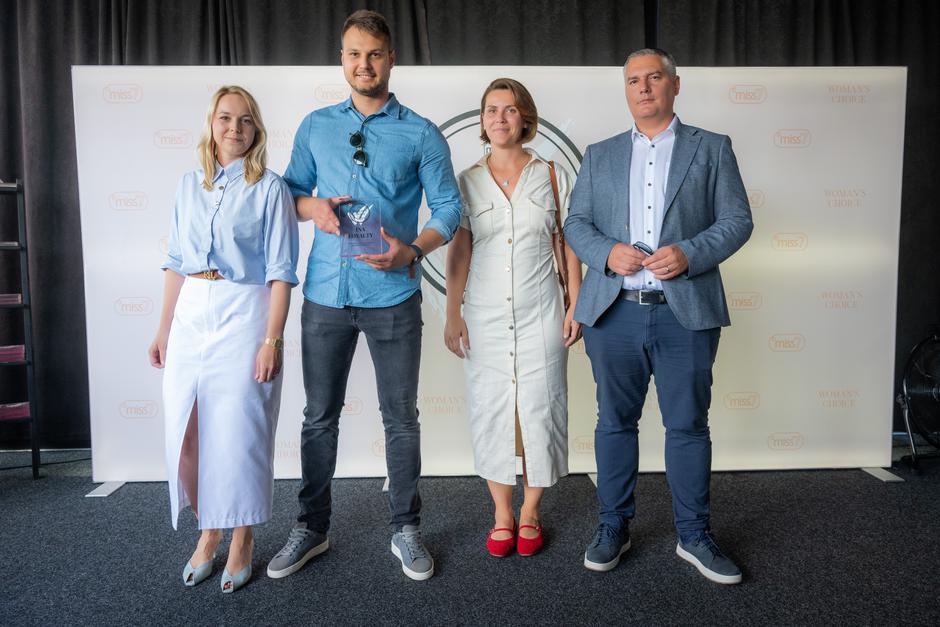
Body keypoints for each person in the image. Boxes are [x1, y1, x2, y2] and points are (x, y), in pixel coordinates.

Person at [267, 9, 461, 582]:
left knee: (401, 419)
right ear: (342, 59)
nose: (364, 64)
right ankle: (311, 528)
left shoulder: (421, 132)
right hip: (326, 293)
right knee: (317, 418)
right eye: (354, 54)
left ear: (391, 59)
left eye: (374, 54)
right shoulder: (315, 126)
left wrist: (413, 250)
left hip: (393, 294)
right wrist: (314, 208)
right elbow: (288, 194)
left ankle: (406, 528)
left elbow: (449, 208)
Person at [564, 48, 753, 584]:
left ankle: (693, 535)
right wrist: (606, 252)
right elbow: (575, 223)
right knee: (613, 423)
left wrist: (690, 252)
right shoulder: (599, 154)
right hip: (613, 314)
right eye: (633, 81)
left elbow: (737, 220)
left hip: (684, 314)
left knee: (688, 425)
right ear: (626, 90)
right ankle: (613, 526)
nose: (643, 88)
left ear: (675, 84)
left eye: (653, 78)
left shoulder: (712, 148)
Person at [148, 85, 300, 593]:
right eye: (226, 118)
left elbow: (281, 272)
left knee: (239, 432)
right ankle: (207, 531)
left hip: (245, 310)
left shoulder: (270, 188)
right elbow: (175, 261)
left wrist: (272, 340)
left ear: (257, 129)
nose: (235, 128)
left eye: (246, 120)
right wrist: (163, 329)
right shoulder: (187, 184)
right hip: (191, 310)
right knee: (188, 431)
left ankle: (241, 537)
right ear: (211, 125)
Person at [444, 78, 582, 558]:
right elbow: (460, 250)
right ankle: (503, 512)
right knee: (491, 408)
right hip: (483, 315)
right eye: (491, 109)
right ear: (482, 120)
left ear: (525, 118)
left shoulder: (551, 175)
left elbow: (569, 241)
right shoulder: (466, 180)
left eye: (509, 109)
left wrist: (576, 303)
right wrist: (452, 313)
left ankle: (531, 510)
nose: (499, 118)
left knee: (542, 406)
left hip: (542, 310)